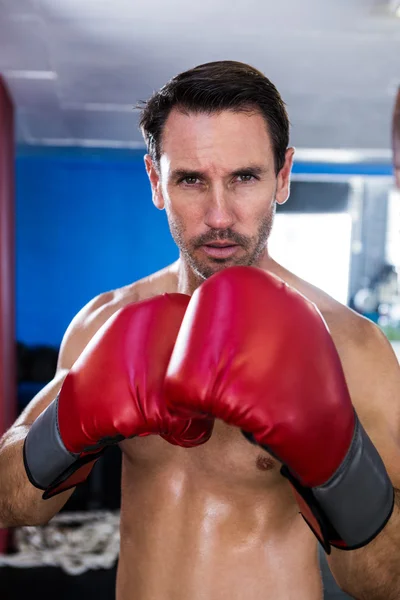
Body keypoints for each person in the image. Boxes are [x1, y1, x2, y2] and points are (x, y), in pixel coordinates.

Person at [1, 61, 400, 600]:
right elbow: (15, 505)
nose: (219, 215)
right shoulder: (106, 321)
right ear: (155, 181)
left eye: (245, 177)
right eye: (191, 179)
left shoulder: (351, 346)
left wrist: (339, 460)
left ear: (282, 177)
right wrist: (67, 426)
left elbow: (385, 582)